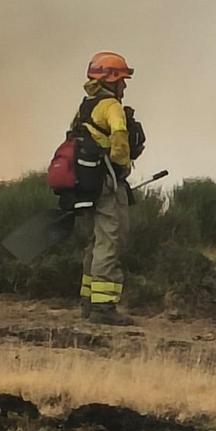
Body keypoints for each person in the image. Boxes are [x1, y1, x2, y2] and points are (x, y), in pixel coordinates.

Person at [72, 51, 138, 326]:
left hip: (87, 185)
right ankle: (103, 307)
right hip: (107, 183)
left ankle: (89, 301)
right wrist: (122, 165)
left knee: (96, 241)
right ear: (111, 80)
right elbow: (120, 140)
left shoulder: (85, 106)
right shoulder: (111, 106)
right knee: (110, 240)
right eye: (122, 79)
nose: (124, 85)